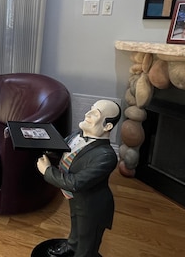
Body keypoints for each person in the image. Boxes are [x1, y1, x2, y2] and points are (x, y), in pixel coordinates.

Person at [36, 100, 121, 257]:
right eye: (90, 109)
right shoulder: (76, 135)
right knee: (76, 226)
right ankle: (72, 245)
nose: (87, 114)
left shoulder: (106, 156)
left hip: (92, 205)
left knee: (88, 238)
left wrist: (47, 170)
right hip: (76, 199)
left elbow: (75, 183)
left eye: (96, 114)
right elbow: (64, 151)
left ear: (107, 126)